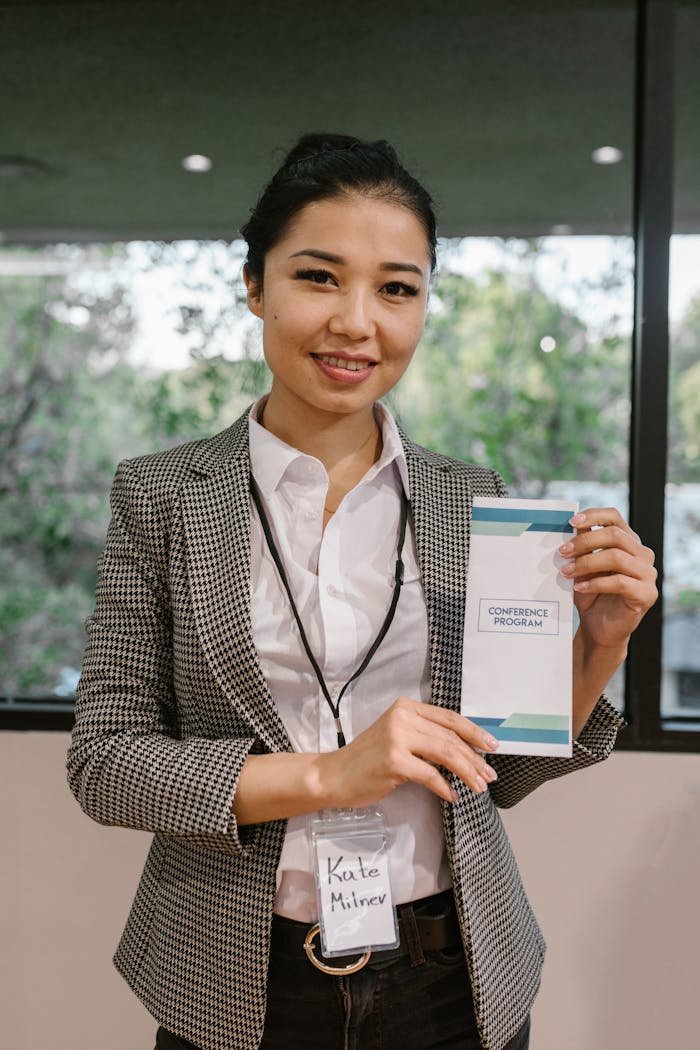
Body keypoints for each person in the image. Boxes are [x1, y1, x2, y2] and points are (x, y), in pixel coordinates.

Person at [67, 132, 658, 1050]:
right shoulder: (164, 496)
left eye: (396, 288)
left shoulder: (475, 499)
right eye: (318, 276)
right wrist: (330, 774)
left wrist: (601, 645)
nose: (357, 322)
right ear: (255, 286)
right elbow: (104, 763)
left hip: (452, 971)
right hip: (236, 971)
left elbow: (505, 774)